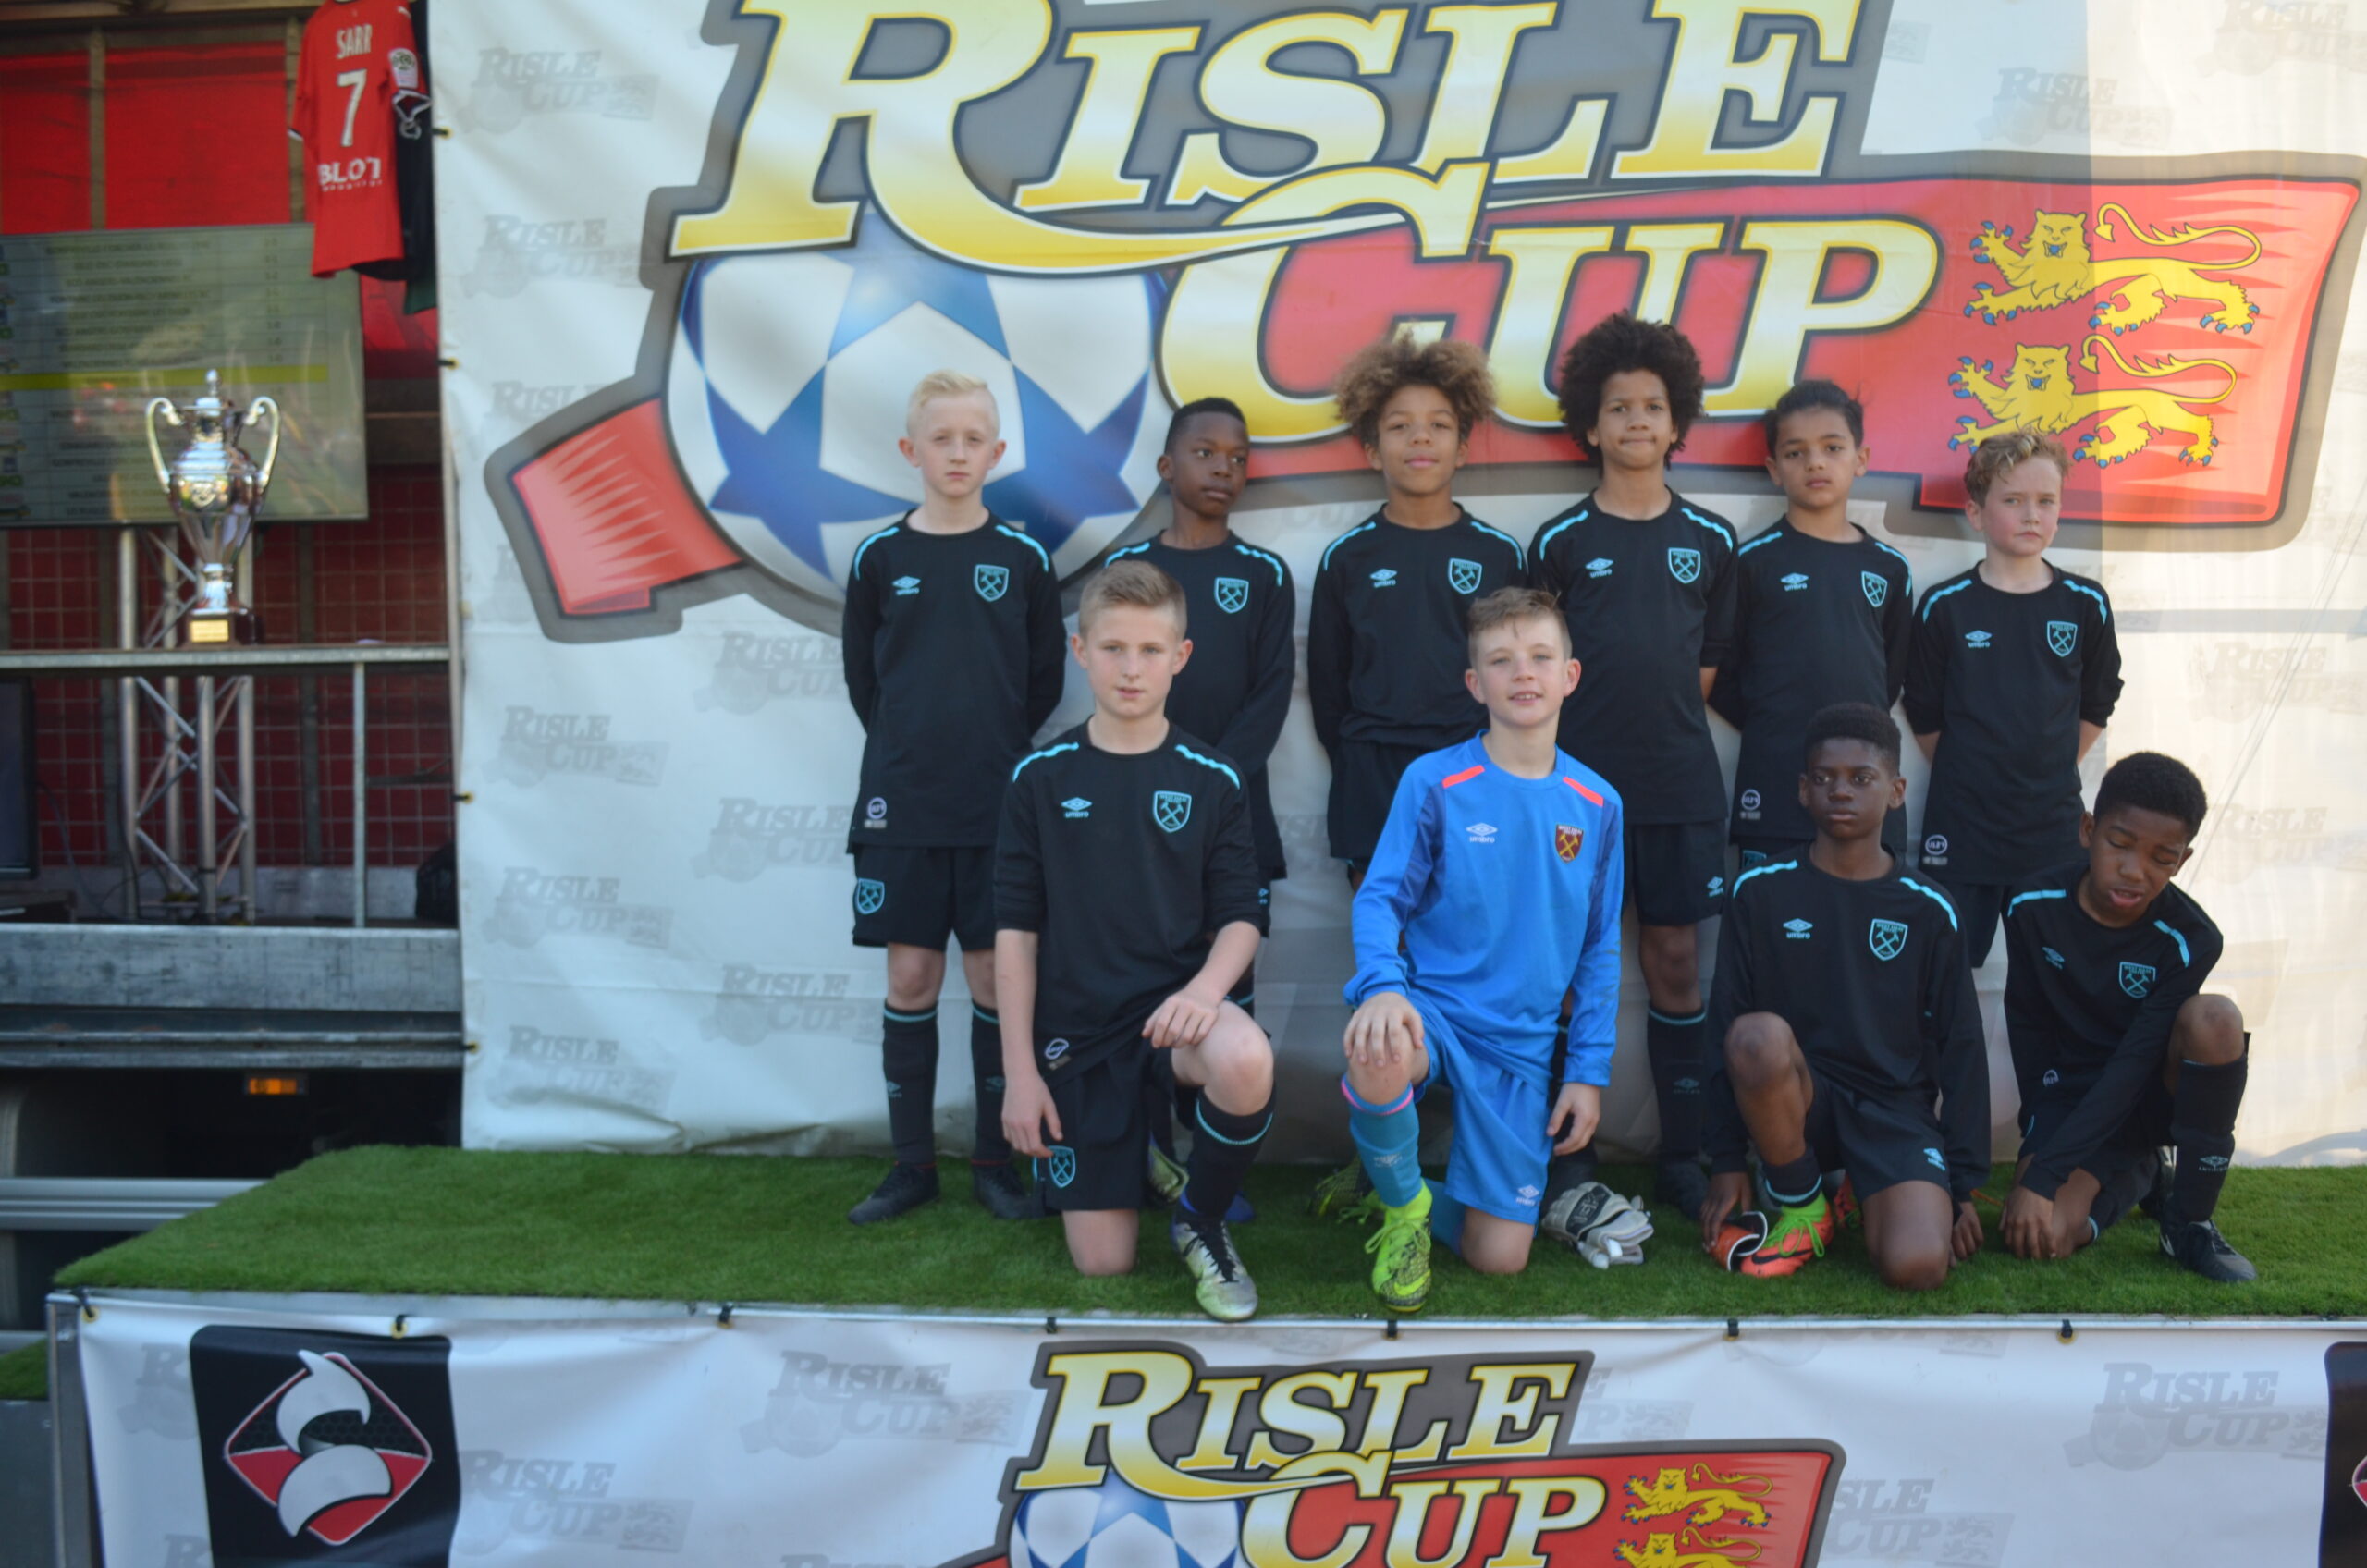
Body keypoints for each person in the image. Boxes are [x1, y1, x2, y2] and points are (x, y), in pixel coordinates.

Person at [994, 560, 1277, 1321]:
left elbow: (1243, 916)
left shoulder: (1213, 776)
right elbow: (1014, 936)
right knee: (1104, 1265)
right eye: (1113, 648)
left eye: (1151, 650)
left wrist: (1204, 992)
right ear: (1080, 651)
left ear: (1180, 657)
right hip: (1079, 1037)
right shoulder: (1038, 778)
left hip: (1171, 1021)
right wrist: (1020, 1075)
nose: (1131, 668)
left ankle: (1200, 1219)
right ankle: (1137, 1156)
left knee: (1246, 1057)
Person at [1334, 587, 1629, 1312]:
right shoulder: (1436, 781)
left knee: (1498, 1259)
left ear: (1570, 675)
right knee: (1378, 1048)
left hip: (1521, 1045)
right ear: (1475, 683)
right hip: (1433, 1013)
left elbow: (1599, 947)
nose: (1522, 672)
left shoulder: (1598, 803)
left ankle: (1385, 1181)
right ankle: (1404, 1212)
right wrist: (1383, 987)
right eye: (1501, 660)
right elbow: (1379, 899)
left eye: (1540, 657)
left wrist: (1587, 1071)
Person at [840, 370, 1063, 1225]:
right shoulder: (879, 558)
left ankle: (993, 1166)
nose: (958, 453)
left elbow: (1041, 684)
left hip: (995, 806)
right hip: (902, 803)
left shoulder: (1023, 560)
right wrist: (913, 748)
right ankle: (910, 1168)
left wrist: (986, 749)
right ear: (912, 450)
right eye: (942, 439)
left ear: (997, 452)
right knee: (910, 975)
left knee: (991, 977)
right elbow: (865, 682)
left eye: (974, 439)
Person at [1530, 312, 1738, 1226]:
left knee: (1675, 961)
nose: (1636, 421)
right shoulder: (1559, 541)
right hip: (1573, 790)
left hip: (1678, 786)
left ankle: (1683, 1155)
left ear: (1677, 419)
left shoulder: (1713, 539)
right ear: (1590, 422)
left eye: (1652, 405)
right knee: (1566, 970)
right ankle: (1564, 1158)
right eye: (1618, 407)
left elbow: (1706, 672)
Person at [1699, 703, 1988, 1289]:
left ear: (1896, 791)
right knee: (1755, 1037)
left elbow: (1962, 1046)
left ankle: (1864, 1188)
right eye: (1824, 778)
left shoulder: (1930, 908)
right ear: (1803, 790)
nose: (1841, 791)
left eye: (1861, 778)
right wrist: (1727, 1161)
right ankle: (1803, 1204)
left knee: (1917, 1266)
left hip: (1894, 1111)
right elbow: (1722, 1023)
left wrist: (1960, 1185)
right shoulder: (1759, 891)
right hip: (1805, 1103)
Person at [1997, 753, 2254, 1280]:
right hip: (2071, 1092)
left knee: (2216, 1019)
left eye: (2162, 857)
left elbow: (2135, 1063)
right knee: (2040, 1236)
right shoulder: (2030, 903)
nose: (2135, 871)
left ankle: (2188, 1222)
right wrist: (2040, 1136)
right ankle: (2144, 1177)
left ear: (2182, 860)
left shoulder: (2192, 939)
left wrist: (2046, 1176)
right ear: (2088, 830)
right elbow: (2027, 1025)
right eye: (2120, 844)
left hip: (2145, 1093)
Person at [1310, 336, 1527, 884]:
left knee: (1473, 922)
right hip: (1374, 771)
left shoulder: (1499, 554)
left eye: (1439, 424)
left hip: (1474, 764)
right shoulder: (1346, 558)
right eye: (1400, 425)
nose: (1420, 437)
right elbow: (1328, 685)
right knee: (1385, 928)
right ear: (1372, 450)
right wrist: (1359, 755)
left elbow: (1520, 673)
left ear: (1463, 449)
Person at [1906, 430, 2123, 968]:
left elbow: (2098, 703)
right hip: (1963, 828)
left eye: (2046, 501)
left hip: (2052, 830)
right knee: (1944, 974)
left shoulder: (2085, 603)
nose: (2031, 515)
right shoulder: (1945, 606)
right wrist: (1975, 772)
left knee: (2056, 975)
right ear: (1976, 513)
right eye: (2013, 500)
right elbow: (1924, 712)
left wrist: (2047, 765)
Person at [1711, 382, 1913, 867]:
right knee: (1769, 910)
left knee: (1862, 911)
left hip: (1865, 792)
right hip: (1775, 784)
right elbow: (1722, 674)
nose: (1815, 463)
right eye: (1795, 452)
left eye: (1832, 448)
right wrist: (1777, 721)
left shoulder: (1890, 568)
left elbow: (1889, 676)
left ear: (1861, 459)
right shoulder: (1750, 563)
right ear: (1774, 469)